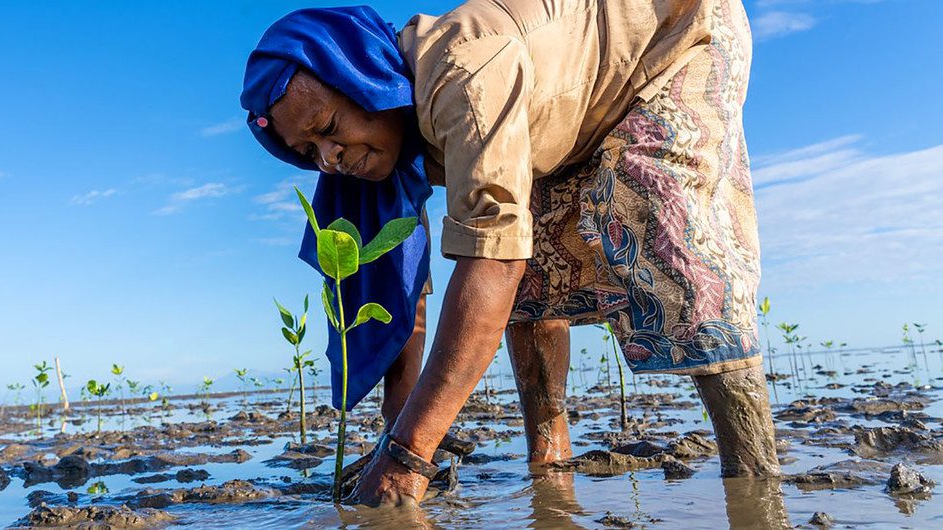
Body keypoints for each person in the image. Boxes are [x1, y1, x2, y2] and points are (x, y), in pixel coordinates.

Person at [240, 0, 780, 507]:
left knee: (668, 227)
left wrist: (409, 455)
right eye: (309, 153)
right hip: (564, 114)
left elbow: (492, 263)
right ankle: (551, 468)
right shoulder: (388, 150)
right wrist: (396, 433)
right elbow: (406, 292)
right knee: (534, 278)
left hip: (672, 36)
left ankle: (755, 480)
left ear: (365, 80)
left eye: (330, 129)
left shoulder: (464, 79)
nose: (330, 160)